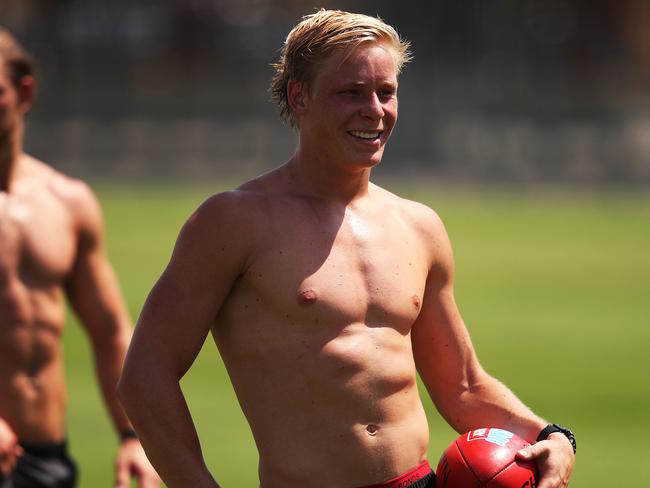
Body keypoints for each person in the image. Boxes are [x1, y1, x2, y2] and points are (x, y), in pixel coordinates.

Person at [118, 9, 576, 488]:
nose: (375, 110)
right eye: (351, 93)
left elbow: (462, 385)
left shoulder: (419, 226)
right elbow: (146, 376)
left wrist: (551, 435)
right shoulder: (232, 222)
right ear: (300, 95)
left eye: (386, 92)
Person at [0, 28, 160, 488]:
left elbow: (109, 331)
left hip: (45, 459)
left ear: (23, 93)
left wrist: (133, 435)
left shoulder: (67, 202)